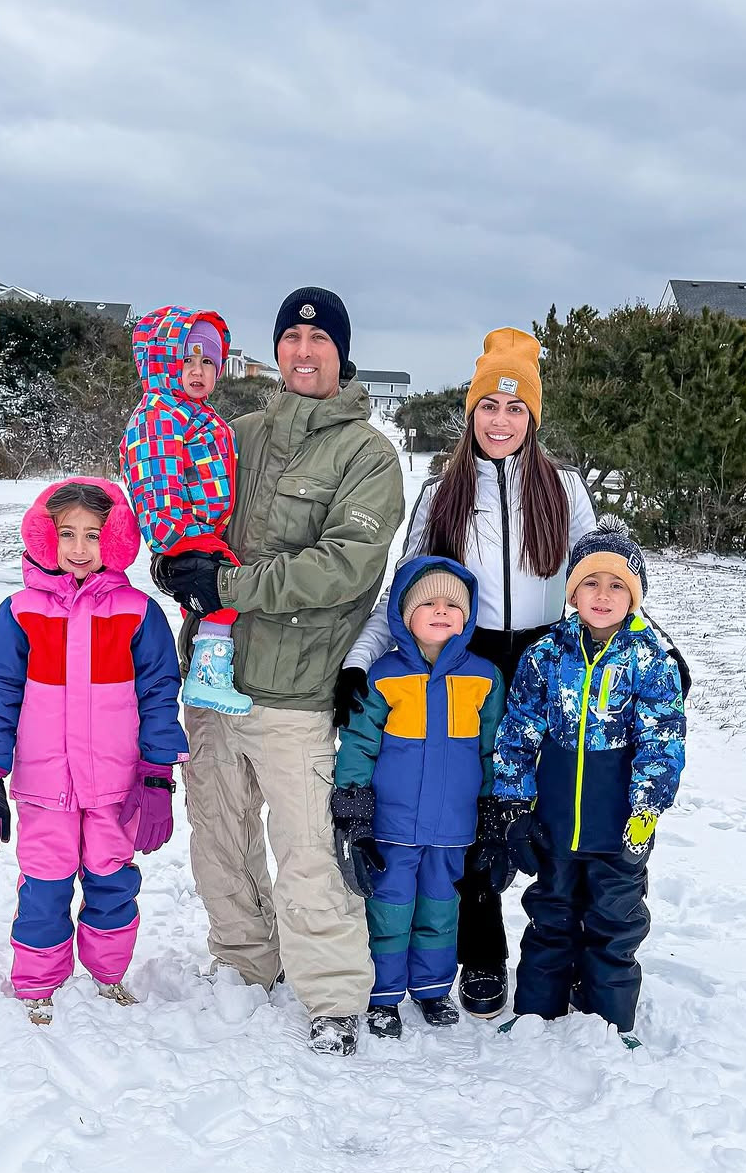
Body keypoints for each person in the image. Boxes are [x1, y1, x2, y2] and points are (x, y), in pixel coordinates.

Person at [153, 286, 405, 1056]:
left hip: (296, 692)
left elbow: (345, 567)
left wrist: (228, 585)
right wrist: (174, 565)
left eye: (318, 342)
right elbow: (184, 514)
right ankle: (244, 964)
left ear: (341, 354)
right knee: (218, 839)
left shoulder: (368, 454)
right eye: (291, 341)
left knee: (306, 854)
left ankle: (331, 996)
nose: (302, 353)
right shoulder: (236, 433)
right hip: (213, 681)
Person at [338, 327, 597, 1019]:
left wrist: (639, 644)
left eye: (516, 409)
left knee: (550, 812)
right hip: (467, 661)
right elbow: (403, 593)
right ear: (471, 413)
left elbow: (596, 580)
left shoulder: (565, 489)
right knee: (471, 809)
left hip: (544, 661)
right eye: (489, 406)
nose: (502, 421)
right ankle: (481, 955)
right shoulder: (441, 492)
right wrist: (361, 661)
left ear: (533, 417)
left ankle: (563, 950)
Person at [0, 479, 188, 1026]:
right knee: (44, 883)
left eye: (93, 535)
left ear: (113, 541)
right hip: (45, 786)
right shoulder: (20, 612)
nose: (80, 548)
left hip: (116, 785)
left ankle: (108, 974)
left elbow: (160, 696)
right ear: (46, 536)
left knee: (112, 880)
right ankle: (38, 980)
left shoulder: (138, 613)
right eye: (67, 534)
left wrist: (157, 776)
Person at [489, 516, 687, 1044]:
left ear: (635, 596)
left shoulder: (650, 659)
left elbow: (662, 739)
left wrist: (645, 810)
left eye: (617, 584)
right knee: (550, 914)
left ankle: (609, 1018)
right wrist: (514, 807)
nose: (603, 595)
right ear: (573, 592)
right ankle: (537, 1009)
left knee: (615, 922)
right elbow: (517, 732)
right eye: (590, 583)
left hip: (618, 823)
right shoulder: (545, 654)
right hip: (553, 821)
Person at [330, 558, 506, 1040]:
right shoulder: (383, 677)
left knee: (440, 910)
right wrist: (353, 808)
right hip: (392, 826)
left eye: (453, 604)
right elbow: (359, 746)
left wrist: (492, 813)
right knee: (389, 909)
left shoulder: (484, 679)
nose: (441, 611)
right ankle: (383, 994)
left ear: (468, 615)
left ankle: (431, 988)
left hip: (452, 828)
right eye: (427, 602)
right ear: (404, 614)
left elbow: (491, 750)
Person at [121, 305, 251, 716]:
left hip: (203, 528)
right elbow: (155, 476)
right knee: (221, 593)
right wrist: (173, 535)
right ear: (163, 362)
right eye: (186, 361)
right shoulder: (159, 415)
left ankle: (204, 671)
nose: (198, 371)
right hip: (182, 530)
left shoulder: (194, 412)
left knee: (212, 597)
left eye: (208, 362)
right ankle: (207, 679)